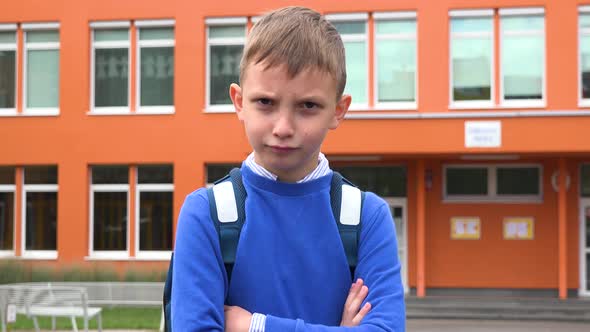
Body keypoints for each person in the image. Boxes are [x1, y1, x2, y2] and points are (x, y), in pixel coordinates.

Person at [172, 6, 405, 331]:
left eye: (307, 106)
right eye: (265, 102)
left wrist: (254, 325)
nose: (283, 127)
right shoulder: (206, 215)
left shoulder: (367, 219)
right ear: (239, 102)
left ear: (338, 111)